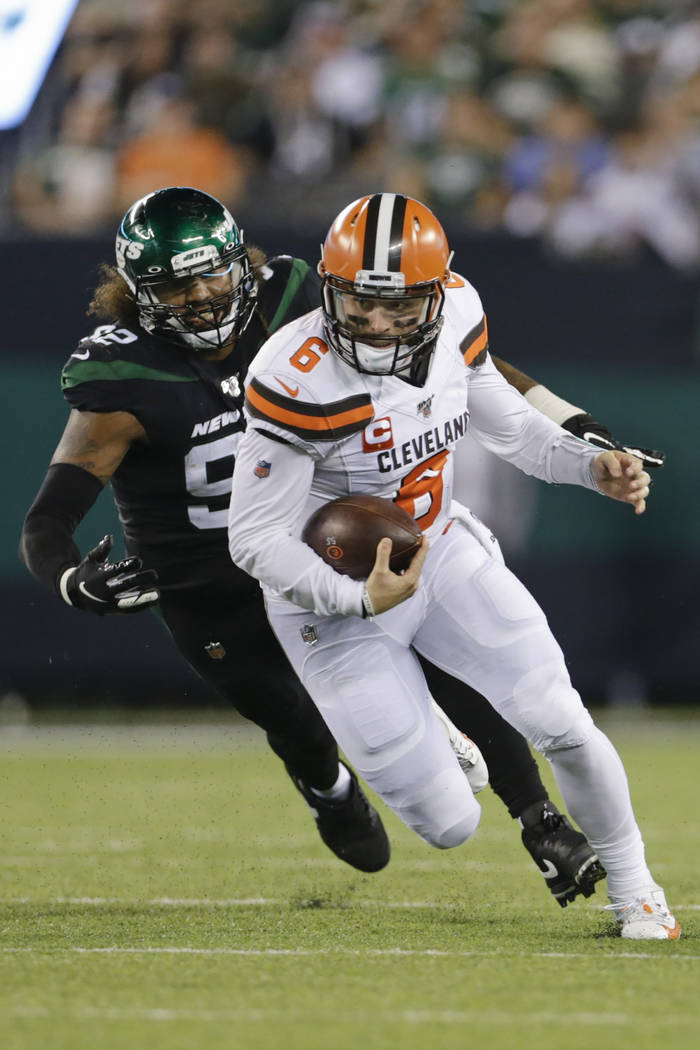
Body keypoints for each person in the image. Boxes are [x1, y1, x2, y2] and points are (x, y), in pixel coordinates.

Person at [20, 187, 660, 907]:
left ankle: (537, 816)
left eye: (212, 276)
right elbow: (48, 518)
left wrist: (573, 425)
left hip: (331, 542)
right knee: (294, 723)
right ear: (137, 292)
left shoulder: (307, 295)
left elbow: (470, 367)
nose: (200, 298)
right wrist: (75, 578)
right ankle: (327, 784)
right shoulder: (124, 375)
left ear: (243, 262)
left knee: (446, 651)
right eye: (174, 285)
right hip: (209, 580)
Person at [228, 192, 679, 940]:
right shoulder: (293, 375)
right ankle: (431, 718)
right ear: (330, 289)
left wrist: (588, 464)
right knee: (448, 822)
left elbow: (513, 430)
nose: (376, 325)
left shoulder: (461, 316)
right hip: (325, 594)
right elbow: (253, 540)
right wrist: (357, 597)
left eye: (399, 308)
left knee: (561, 721)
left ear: (438, 293)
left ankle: (637, 892)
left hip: (434, 547)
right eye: (360, 304)